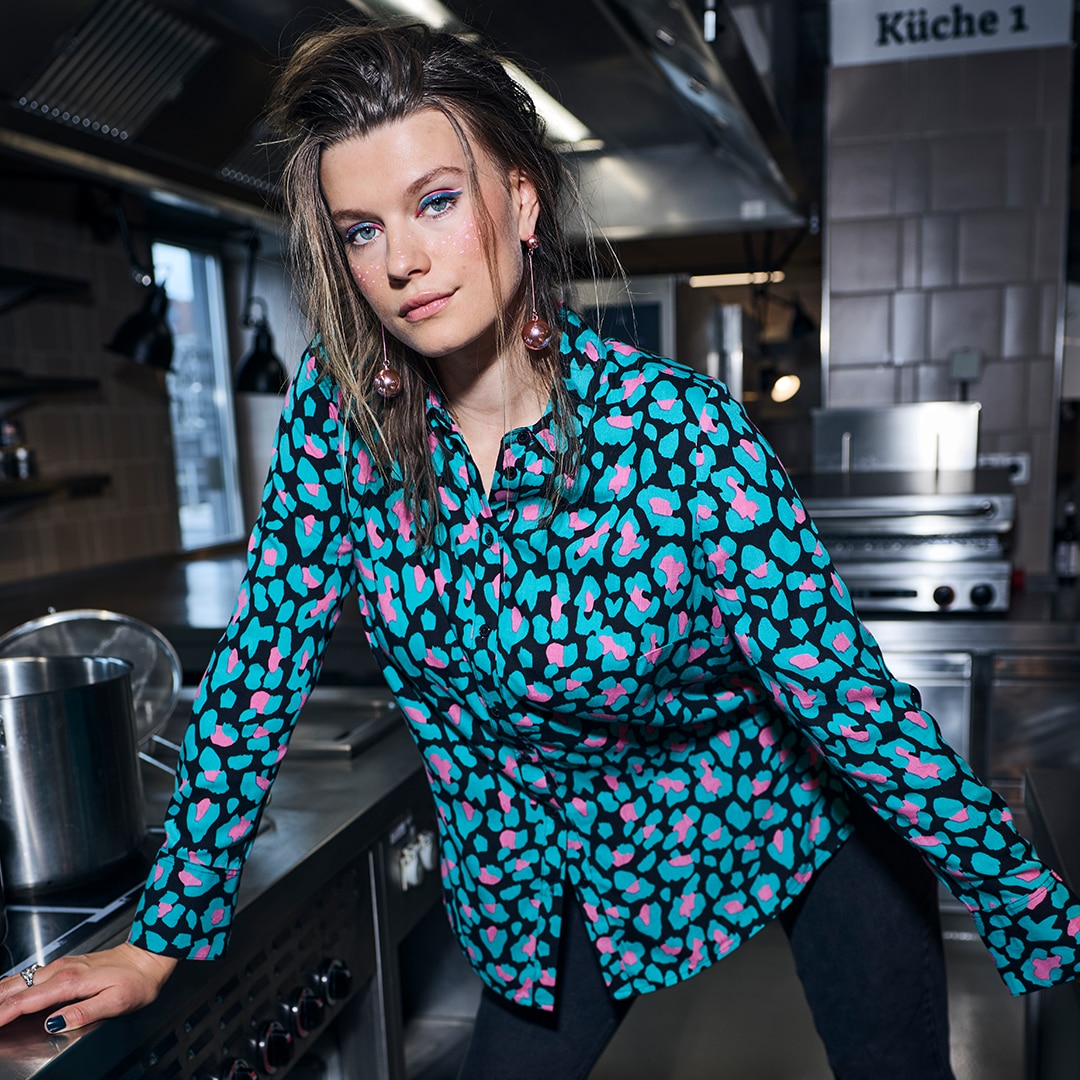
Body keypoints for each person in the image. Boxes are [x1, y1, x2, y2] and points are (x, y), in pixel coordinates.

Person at [1, 20, 1078, 1078]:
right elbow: (261, 663)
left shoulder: (676, 433)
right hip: (545, 878)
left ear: (518, 199)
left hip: (790, 812)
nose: (403, 261)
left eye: (434, 202)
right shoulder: (343, 418)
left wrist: (1020, 894)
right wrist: (158, 937)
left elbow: (848, 700)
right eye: (361, 229)